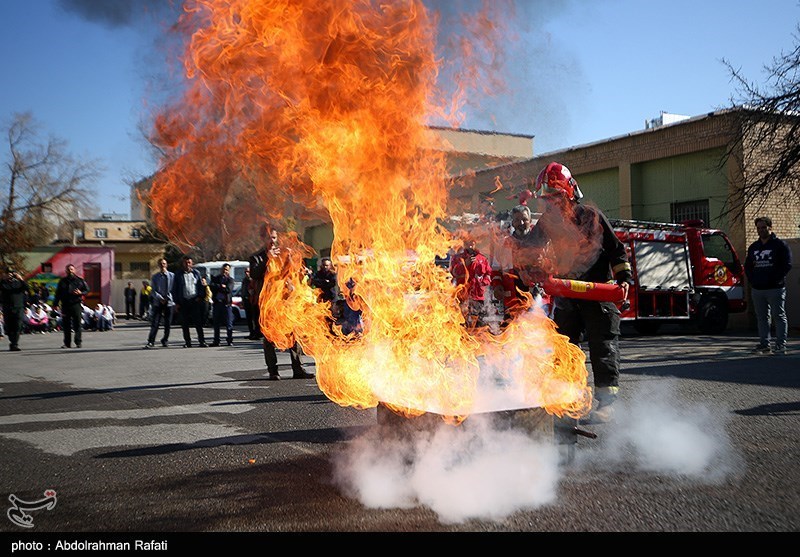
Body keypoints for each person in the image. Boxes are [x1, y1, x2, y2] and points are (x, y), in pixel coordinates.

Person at [525, 162, 632, 424]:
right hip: (567, 293)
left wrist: (624, 278)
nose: (551, 204)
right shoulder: (547, 223)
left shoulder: (590, 216)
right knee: (563, 345)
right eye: (547, 198)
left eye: (556, 196)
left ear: (570, 192)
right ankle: (566, 398)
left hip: (598, 293)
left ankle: (606, 403)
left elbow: (617, 250)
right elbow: (529, 247)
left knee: (603, 345)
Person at [249, 224, 315, 380]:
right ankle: (273, 370)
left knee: (294, 333)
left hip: (285, 300)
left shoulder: (283, 255)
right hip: (268, 303)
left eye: (273, 237)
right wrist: (267, 258)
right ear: (262, 239)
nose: (272, 241)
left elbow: (291, 273)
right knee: (269, 336)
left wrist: (296, 272)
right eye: (268, 238)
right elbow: (255, 274)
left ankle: (298, 368)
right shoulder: (256, 257)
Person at [745, 216, 793, 355]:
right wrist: (753, 280)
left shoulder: (780, 245)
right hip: (758, 289)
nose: (760, 230)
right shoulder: (754, 247)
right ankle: (764, 344)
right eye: (758, 228)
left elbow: (787, 264)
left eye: (763, 227)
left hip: (775, 288)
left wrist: (776, 279)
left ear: (770, 228)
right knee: (762, 318)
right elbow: (748, 266)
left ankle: (780, 345)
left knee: (778, 316)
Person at [449, 235, 493, 329]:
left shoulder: (482, 258)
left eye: (472, 242)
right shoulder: (457, 258)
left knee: (479, 325)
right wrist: (465, 264)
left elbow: (488, 273)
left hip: (478, 296)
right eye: (468, 242)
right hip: (463, 296)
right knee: (464, 324)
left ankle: (479, 341)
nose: (470, 245)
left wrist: (484, 282)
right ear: (464, 243)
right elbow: (454, 273)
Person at [171, 255, 208, 348]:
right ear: (183, 263)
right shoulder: (178, 274)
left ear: (192, 263)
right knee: (185, 323)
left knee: (198, 323)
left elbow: (200, 286)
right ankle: (188, 342)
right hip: (183, 302)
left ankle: (202, 341)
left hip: (194, 301)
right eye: (185, 262)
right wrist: (176, 302)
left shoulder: (196, 273)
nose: (187, 264)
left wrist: (200, 297)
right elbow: (174, 289)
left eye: (189, 262)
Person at [53, 264, 90, 349]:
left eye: (72, 269)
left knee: (77, 324)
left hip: (76, 304)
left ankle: (78, 342)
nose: (70, 271)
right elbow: (57, 293)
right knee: (66, 325)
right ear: (66, 271)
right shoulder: (62, 281)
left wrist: (81, 293)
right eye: (68, 269)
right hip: (65, 305)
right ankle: (67, 343)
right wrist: (55, 304)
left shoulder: (80, 280)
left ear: (75, 270)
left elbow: (87, 290)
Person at [145, 258, 174, 348]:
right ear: (159, 265)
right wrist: (160, 298)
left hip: (169, 302)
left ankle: (165, 340)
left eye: (164, 263)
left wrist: (168, 298)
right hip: (158, 302)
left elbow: (174, 289)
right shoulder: (155, 277)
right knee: (155, 323)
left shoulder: (172, 276)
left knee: (167, 323)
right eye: (161, 264)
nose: (163, 265)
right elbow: (153, 291)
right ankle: (151, 341)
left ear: (166, 265)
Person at [1, 267, 28, 351]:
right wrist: (2, 279)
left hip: (18, 307)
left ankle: (14, 344)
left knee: (18, 325)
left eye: (11, 273)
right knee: (9, 326)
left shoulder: (19, 283)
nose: (10, 274)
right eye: (8, 273)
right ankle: (12, 341)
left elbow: (27, 288)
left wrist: (21, 279)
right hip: (7, 307)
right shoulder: (3, 283)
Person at [210, 263, 235, 346]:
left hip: (226, 304)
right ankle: (216, 341)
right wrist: (221, 286)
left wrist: (222, 287)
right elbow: (212, 286)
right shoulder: (216, 278)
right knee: (216, 323)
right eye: (223, 269)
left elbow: (228, 289)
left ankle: (229, 340)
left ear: (229, 271)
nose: (225, 271)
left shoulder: (230, 280)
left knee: (229, 324)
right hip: (217, 303)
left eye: (227, 270)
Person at [240, 267, 258, 340]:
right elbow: (243, 290)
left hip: (252, 301)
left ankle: (256, 333)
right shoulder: (244, 280)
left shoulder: (253, 280)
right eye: (245, 272)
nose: (246, 273)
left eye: (248, 272)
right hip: (246, 300)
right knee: (249, 319)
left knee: (254, 318)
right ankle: (251, 333)